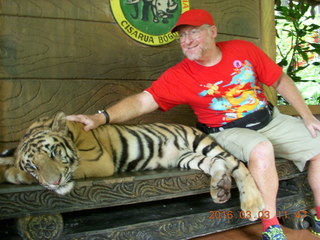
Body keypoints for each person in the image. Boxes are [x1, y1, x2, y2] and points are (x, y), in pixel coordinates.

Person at [67, 9, 320, 240]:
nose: (186, 41)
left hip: (270, 119)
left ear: (212, 32)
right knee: (262, 149)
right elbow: (143, 101)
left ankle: (318, 214)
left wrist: (307, 115)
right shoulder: (180, 75)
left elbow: (279, 80)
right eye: (182, 36)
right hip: (227, 131)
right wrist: (101, 117)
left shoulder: (243, 49)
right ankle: (271, 225)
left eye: (193, 33)